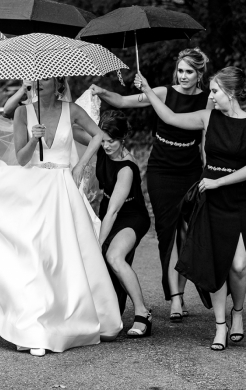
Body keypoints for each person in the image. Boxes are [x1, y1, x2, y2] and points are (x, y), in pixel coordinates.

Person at [0, 77, 122, 358]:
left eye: (45, 81)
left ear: (57, 84)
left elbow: (99, 135)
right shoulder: (22, 113)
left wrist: (80, 165)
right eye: (35, 82)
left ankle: (92, 316)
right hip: (35, 189)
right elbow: (23, 158)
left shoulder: (71, 110)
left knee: (72, 254)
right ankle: (38, 327)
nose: (38, 85)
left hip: (63, 187)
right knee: (38, 256)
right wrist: (34, 138)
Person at [134, 66, 246, 351]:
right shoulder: (208, 118)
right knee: (215, 263)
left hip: (237, 200)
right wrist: (146, 89)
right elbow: (169, 117)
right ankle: (220, 326)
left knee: (240, 265)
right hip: (210, 201)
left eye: (215, 91)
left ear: (229, 92)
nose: (211, 96)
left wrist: (220, 183)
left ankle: (237, 312)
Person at [91, 48, 212, 322]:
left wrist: (207, 170)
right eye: (180, 70)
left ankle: (186, 288)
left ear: (199, 74)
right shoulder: (164, 92)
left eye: (189, 72)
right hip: (161, 170)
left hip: (190, 170)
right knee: (168, 232)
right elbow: (122, 102)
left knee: (187, 233)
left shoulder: (208, 101)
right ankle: (176, 299)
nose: (183, 76)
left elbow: (205, 137)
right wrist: (101, 91)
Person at [95, 111, 152, 337]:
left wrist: (98, 242)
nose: (106, 146)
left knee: (113, 257)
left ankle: (142, 313)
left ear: (122, 139)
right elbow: (74, 130)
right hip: (107, 213)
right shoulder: (99, 146)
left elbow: (114, 211)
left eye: (112, 141)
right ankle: (109, 314)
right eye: (103, 140)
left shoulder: (126, 168)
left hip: (130, 216)